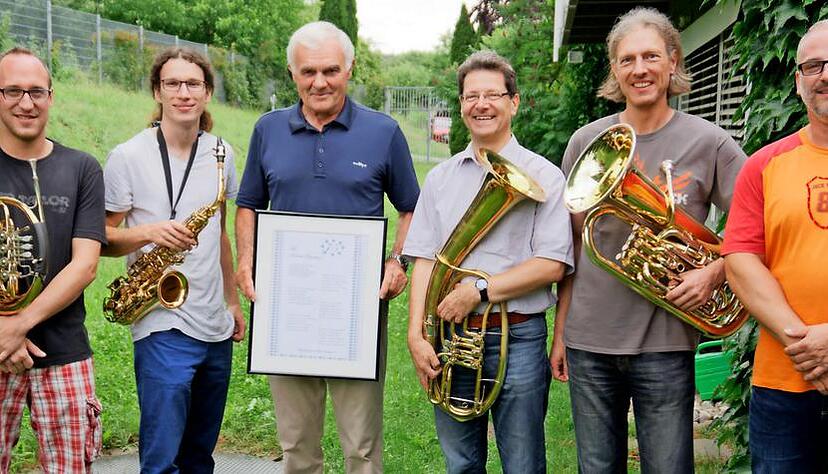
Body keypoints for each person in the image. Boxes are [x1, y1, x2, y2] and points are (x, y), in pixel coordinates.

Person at [549, 7, 747, 473]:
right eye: (628, 59)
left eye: (651, 56)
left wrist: (714, 271)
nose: (640, 69)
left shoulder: (709, 142)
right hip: (589, 341)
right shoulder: (586, 142)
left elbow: (754, 225)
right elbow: (573, 247)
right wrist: (560, 333)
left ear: (673, 61)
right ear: (615, 70)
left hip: (666, 341)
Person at [234, 21, 419, 473]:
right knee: (296, 445)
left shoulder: (383, 132)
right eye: (308, 71)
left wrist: (398, 261)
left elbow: (413, 208)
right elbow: (248, 204)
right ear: (293, 73)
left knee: (361, 446)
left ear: (349, 69)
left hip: (356, 311)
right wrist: (246, 261)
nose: (320, 82)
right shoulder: (268, 130)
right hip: (286, 309)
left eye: (331, 70)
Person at [404, 50, 574, 474]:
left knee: (523, 464)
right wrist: (416, 335)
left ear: (513, 102)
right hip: (451, 336)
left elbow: (552, 264)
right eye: (471, 96)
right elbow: (424, 259)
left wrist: (478, 291)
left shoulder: (545, 176)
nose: (481, 105)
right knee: (461, 464)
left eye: (492, 95)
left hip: (519, 337)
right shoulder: (440, 179)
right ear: (462, 104)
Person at [102, 47, 243, 473]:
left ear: (207, 92)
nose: (184, 93)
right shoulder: (128, 156)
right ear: (157, 91)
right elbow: (102, 238)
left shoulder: (222, 154)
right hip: (160, 319)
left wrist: (232, 302)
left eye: (193, 84)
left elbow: (220, 233)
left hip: (214, 324)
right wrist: (149, 232)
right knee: (162, 461)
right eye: (173, 84)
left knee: (199, 457)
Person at [722, 20, 828, 473]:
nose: (825, 74)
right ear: (798, 81)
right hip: (785, 381)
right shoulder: (764, 165)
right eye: (814, 66)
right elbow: (740, 261)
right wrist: (806, 344)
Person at [0, 47, 105, 472]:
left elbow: (85, 265)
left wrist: (16, 326)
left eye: (36, 92)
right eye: (13, 91)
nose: (26, 103)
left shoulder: (83, 168)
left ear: (51, 96)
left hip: (64, 351)